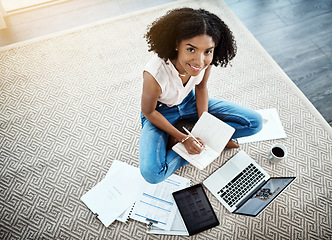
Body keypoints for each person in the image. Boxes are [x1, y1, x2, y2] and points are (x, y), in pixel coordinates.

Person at [139, 8, 262, 184]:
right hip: (160, 111)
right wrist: (185, 138)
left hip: (189, 102)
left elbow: (201, 87)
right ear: (176, 44)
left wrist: (204, 125)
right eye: (191, 50)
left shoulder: (205, 62)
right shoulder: (154, 74)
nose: (199, 61)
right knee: (153, 174)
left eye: (207, 51)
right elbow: (148, 112)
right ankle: (188, 143)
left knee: (255, 123)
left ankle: (206, 141)